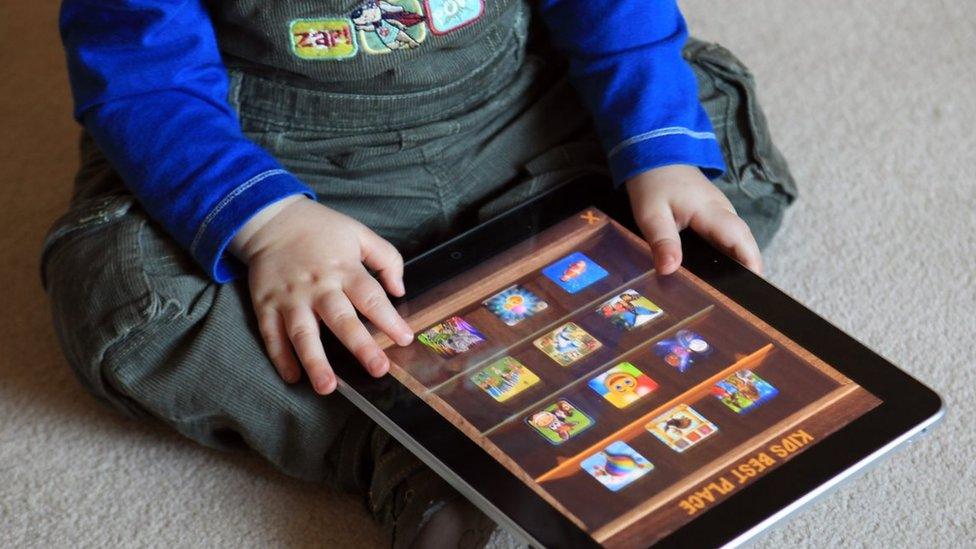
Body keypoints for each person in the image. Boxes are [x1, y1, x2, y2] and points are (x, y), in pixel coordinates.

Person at [43, 0, 797, 546]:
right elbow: (147, 80)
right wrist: (266, 222)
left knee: (712, 146)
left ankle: (565, 349)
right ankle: (406, 445)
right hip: (270, 151)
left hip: (510, 109)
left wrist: (656, 148)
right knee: (127, 298)